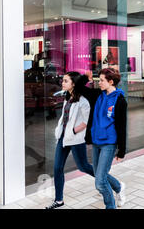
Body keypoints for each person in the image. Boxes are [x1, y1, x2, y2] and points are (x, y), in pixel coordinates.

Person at [77, 68, 127, 209]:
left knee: (99, 182)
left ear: (111, 82)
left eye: (102, 81)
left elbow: (122, 127)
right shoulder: (98, 96)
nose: (99, 83)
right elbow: (80, 88)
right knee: (100, 174)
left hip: (109, 144)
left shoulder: (120, 101)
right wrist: (86, 78)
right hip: (96, 141)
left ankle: (110, 206)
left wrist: (122, 150)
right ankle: (119, 187)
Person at [45, 72, 95, 209]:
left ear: (73, 83)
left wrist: (73, 131)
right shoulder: (68, 97)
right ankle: (59, 200)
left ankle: (108, 181)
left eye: (66, 81)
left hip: (76, 139)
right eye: (63, 80)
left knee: (83, 166)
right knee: (57, 168)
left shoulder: (83, 101)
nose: (62, 83)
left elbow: (86, 121)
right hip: (63, 137)